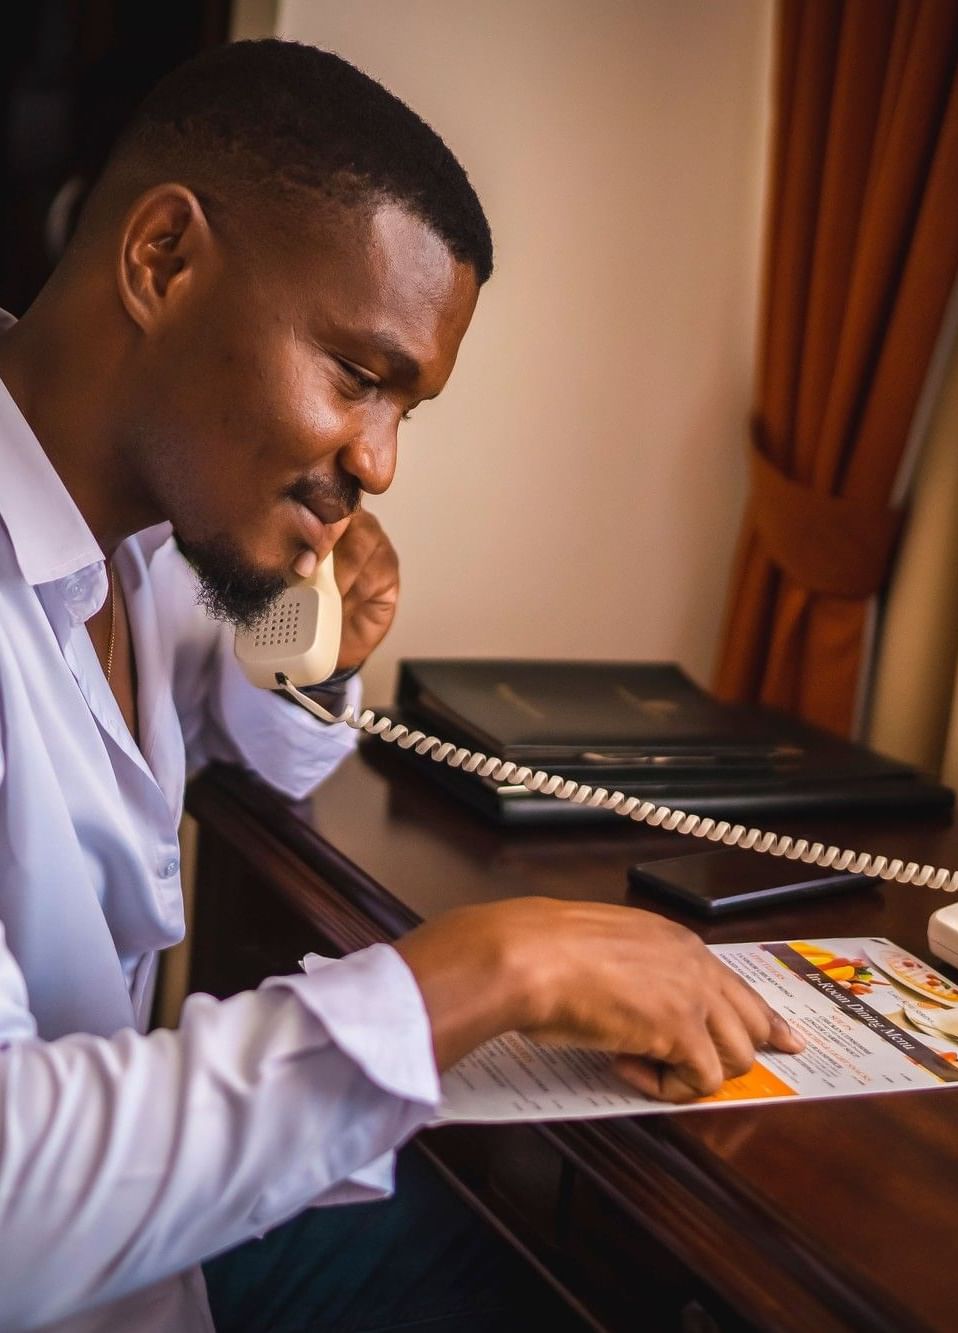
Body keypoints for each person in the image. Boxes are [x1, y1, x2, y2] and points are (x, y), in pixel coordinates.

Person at [0, 38, 803, 1333]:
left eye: (406, 409)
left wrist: (317, 632)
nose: (378, 461)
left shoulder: (123, 523)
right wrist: (483, 970)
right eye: (358, 376)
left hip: (149, 1256)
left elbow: (263, 751)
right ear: (163, 261)